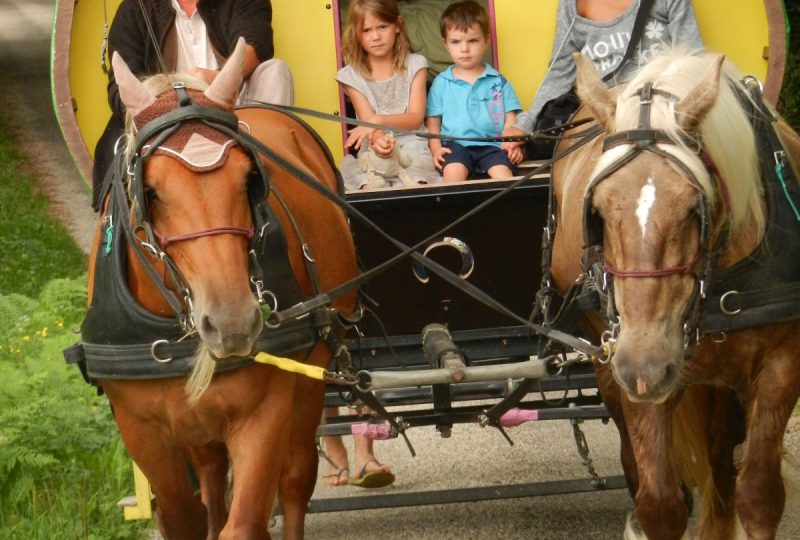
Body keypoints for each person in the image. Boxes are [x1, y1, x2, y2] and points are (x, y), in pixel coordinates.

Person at [91, 0, 294, 210]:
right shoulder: (134, 8)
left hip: (234, 110)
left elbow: (257, 45)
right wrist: (163, 106)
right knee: (115, 149)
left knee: (275, 71)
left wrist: (217, 79)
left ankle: (271, 186)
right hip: (167, 122)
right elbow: (120, 87)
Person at [505, 0, 704, 148]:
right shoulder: (571, 5)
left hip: (658, 110)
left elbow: (692, 60)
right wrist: (524, 126)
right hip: (606, 115)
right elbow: (559, 71)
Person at [336, 0, 437, 191]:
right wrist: (380, 141)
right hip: (374, 147)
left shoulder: (416, 65)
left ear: (398, 25)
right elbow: (368, 122)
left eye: (383, 27)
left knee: (415, 185)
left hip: (412, 145)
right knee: (370, 187)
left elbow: (415, 118)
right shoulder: (351, 75)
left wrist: (378, 119)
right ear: (356, 34)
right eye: (366, 30)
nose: (375, 36)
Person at [425, 0, 523, 182]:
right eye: (456, 42)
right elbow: (433, 123)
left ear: (486, 40)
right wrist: (436, 148)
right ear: (445, 44)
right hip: (456, 146)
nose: (464, 49)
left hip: (493, 146)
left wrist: (512, 146)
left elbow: (511, 121)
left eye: (473, 41)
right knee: (453, 173)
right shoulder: (441, 83)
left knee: (503, 176)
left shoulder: (498, 81)